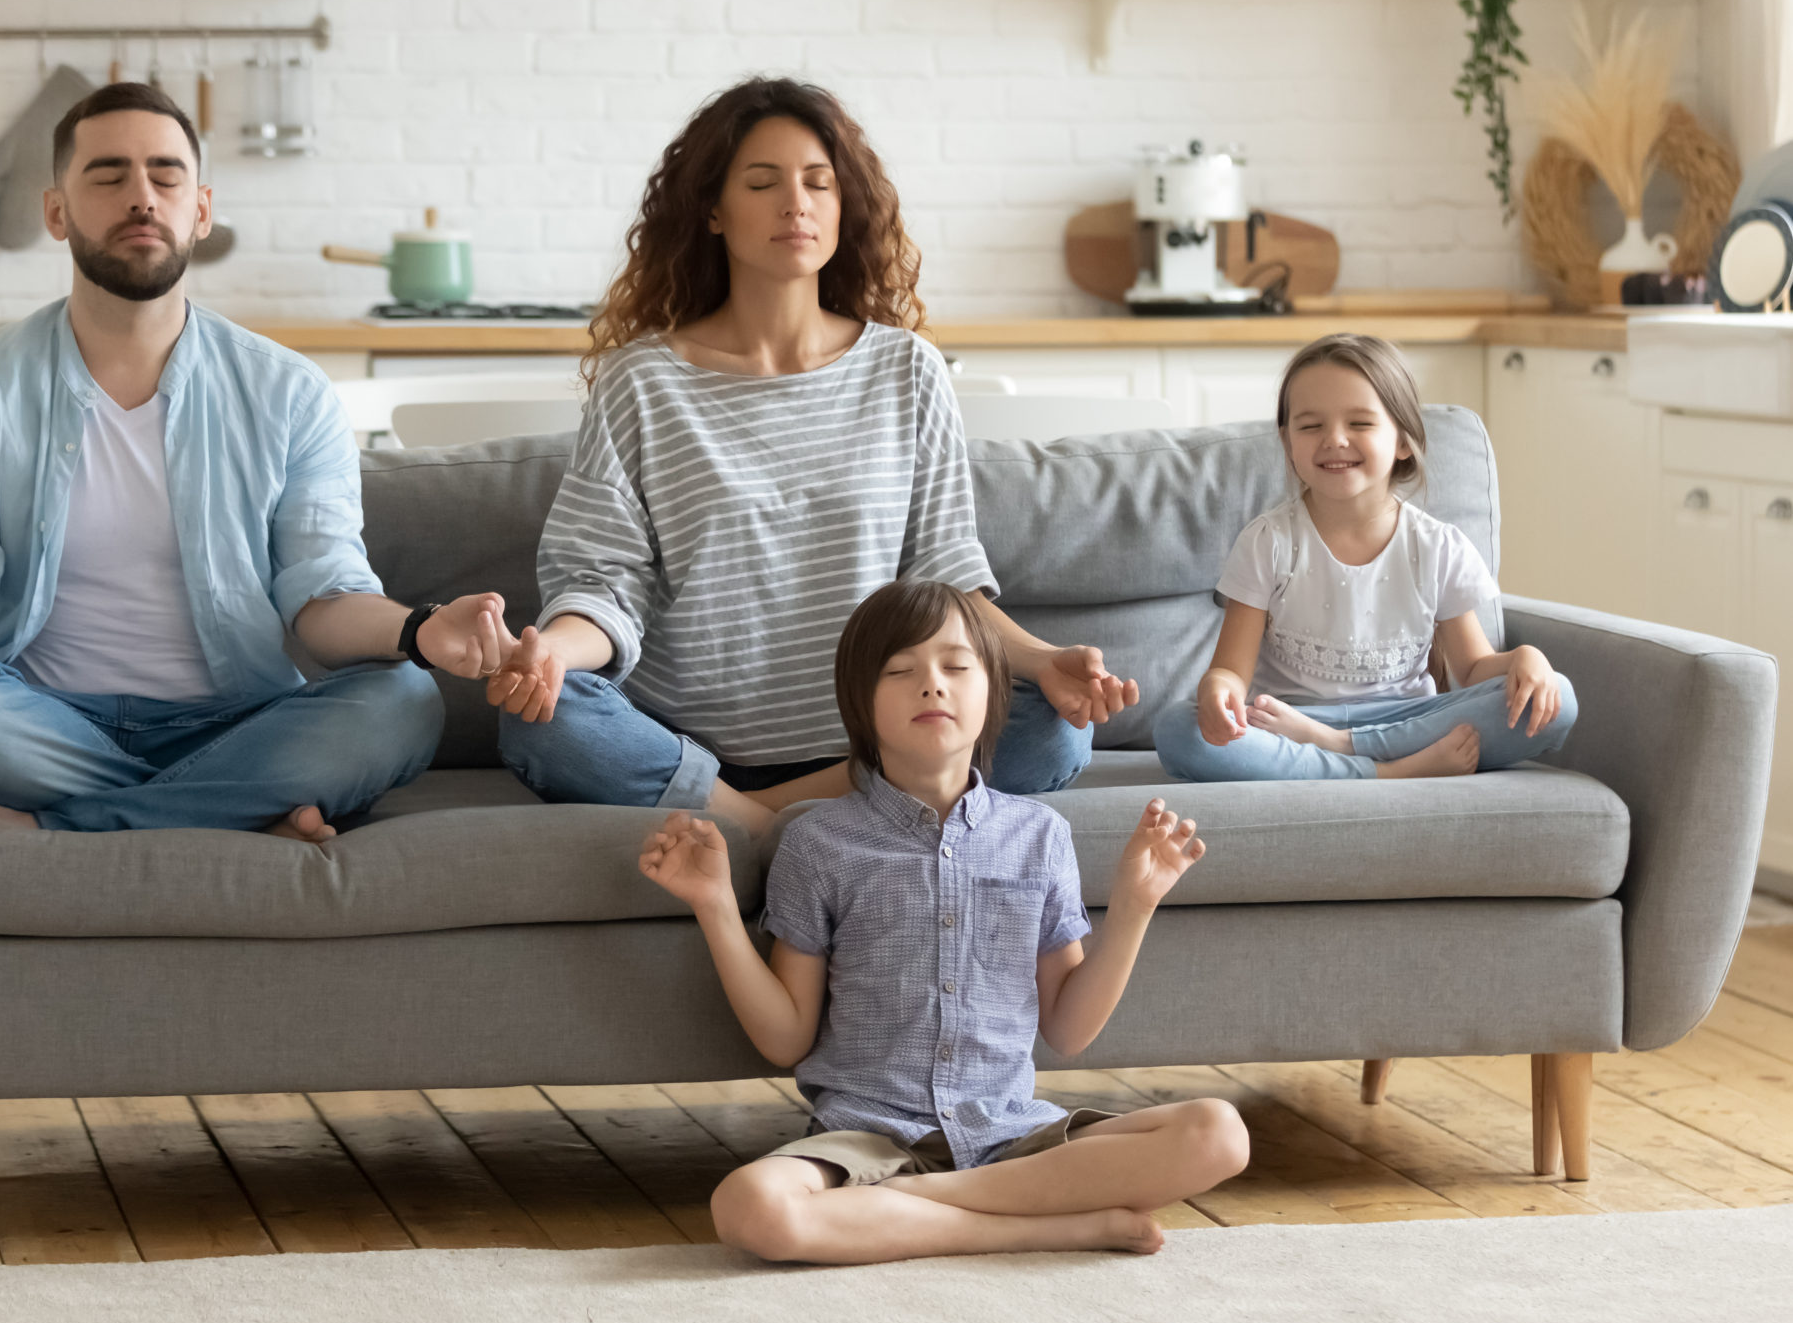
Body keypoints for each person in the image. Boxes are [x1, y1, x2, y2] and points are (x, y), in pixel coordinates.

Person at [0, 82, 512, 839]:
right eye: (109, 176)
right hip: (40, 716)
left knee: (404, 699)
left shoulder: (289, 391)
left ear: (201, 209)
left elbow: (322, 598)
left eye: (165, 175)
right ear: (56, 211)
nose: (141, 197)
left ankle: (47, 827)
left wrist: (419, 629)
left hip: (236, 721)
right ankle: (231, 815)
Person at [488, 76, 1138, 838]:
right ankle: (779, 821)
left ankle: (759, 823)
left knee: (1052, 724)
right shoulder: (643, 380)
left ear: (841, 208)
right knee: (539, 718)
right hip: (687, 745)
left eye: (818, 183)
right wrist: (550, 655)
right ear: (712, 212)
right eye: (761, 183)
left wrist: (1041, 660)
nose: (794, 202)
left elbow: (943, 580)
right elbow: (603, 580)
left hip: (877, 739)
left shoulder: (905, 369)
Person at [636, 579, 1247, 1264]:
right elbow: (785, 1038)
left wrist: (1135, 903)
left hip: (1012, 1135)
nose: (932, 685)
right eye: (900, 670)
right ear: (860, 705)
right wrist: (715, 904)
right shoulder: (817, 842)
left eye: (956, 666)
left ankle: (920, 1213)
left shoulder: (1039, 835)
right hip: (865, 1142)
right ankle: (1042, 1226)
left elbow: (1068, 1030)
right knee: (748, 1204)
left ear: (990, 693)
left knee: (1218, 1132)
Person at [1154, 333, 1577, 783]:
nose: (1334, 440)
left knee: (1559, 699)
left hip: (1408, 722)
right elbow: (1229, 672)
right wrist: (1218, 692)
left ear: (1403, 441)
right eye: (1311, 426)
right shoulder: (1267, 541)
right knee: (1178, 730)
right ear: (1287, 442)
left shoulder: (1437, 546)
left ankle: (1343, 752)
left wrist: (1524, 658)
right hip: (1289, 724)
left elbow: (1472, 670)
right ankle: (1388, 772)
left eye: (1360, 423)